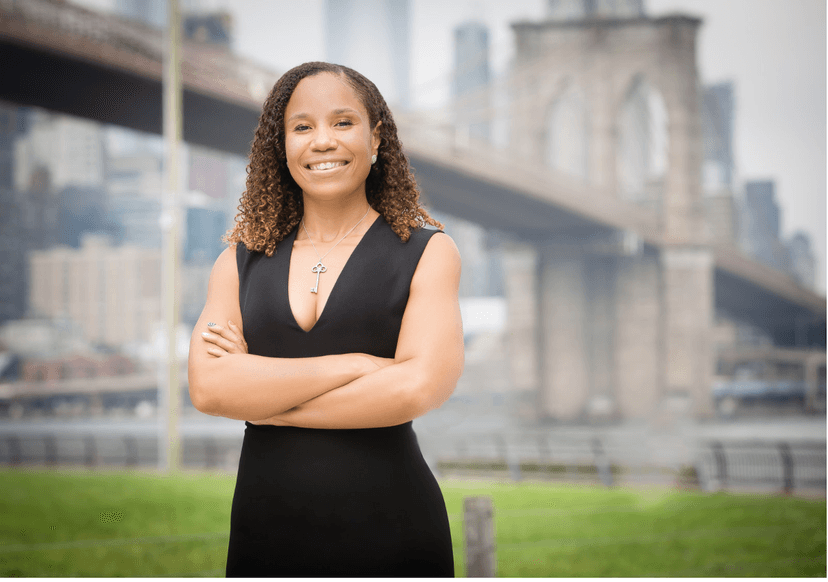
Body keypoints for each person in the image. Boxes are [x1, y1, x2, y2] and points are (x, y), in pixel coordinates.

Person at [187, 61, 463, 577]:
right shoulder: (239, 260)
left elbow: (415, 390)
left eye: (342, 122)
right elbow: (209, 388)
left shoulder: (429, 251)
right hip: (264, 533)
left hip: (395, 532)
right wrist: (357, 364)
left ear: (375, 136)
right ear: (282, 144)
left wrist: (266, 405)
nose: (322, 141)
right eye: (302, 127)